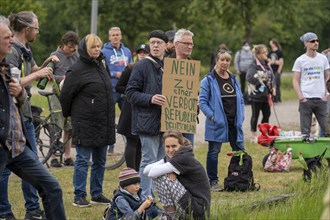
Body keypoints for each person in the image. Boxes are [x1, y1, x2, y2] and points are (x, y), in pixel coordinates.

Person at [0, 15, 66, 220]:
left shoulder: (8, 64)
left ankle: (31, 210)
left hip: (16, 146)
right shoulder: (12, 57)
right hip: (3, 145)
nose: (12, 40)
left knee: (52, 187)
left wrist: (20, 94)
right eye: (6, 37)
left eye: (11, 35)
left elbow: (15, 100)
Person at [60, 34, 115, 207]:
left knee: (100, 160)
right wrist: (70, 115)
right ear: (85, 49)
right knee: (83, 159)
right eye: (94, 47)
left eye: (99, 46)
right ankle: (79, 195)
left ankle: (97, 194)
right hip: (85, 121)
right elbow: (66, 95)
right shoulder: (77, 69)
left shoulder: (102, 65)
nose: (97, 50)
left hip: (103, 121)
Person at [126, 30, 168, 199]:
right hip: (147, 120)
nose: (156, 46)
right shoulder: (141, 65)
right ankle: (143, 197)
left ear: (166, 45)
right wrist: (151, 98)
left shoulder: (170, 65)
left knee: (161, 162)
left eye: (159, 42)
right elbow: (130, 93)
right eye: (153, 43)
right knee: (149, 160)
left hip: (165, 121)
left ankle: (156, 196)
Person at [199, 50, 245, 191]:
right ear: (217, 61)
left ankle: (240, 177)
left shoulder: (233, 79)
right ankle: (212, 181)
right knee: (214, 152)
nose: (225, 63)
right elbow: (202, 102)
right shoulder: (208, 80)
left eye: (227, 60)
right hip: (217, 122)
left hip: (234, 122)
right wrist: (213, 116)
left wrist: (241, 115)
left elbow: (241, 99)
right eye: (222, 60)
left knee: (240, 151)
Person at [144, 129, 211, 219]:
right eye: (167, 146)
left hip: (198, 208)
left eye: (174, 146)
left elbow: (152, 173)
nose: (170, 150)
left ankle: (170, 216)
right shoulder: (172, 158)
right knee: (161, 174)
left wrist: (167, 170)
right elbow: (146, 170)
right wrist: (168, 169)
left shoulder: (184, 157)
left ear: (181, 145)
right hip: (189, 203)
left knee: (162, 177)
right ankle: (170, 215)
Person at [116, 44, 150, 171]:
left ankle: (137, 170)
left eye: (145, 53)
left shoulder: (151, 69)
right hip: (130, 108)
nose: (142, 55)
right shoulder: (130, 68)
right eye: (140, 53)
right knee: (131, 140)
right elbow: (119, 86)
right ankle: (131, 170)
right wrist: (133, 91)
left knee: (140, 143)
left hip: (144, 109)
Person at [49, 30, 79, 168]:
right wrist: (61, 78)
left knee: (69, 127)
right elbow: (47, 75)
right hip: (57, 95)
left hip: (72, 96)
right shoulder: (54, 56)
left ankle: (67, 156)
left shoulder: (76, 56)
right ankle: (54, 157)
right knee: (56, 126)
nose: (72, 49)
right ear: (63, 44)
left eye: (74, 47)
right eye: (70, 46)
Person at [101, 26, 133, 154]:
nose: (115, 37)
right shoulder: (104, 51)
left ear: (121, 36)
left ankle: (130, 144)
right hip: (111, 88)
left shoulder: (127, 51)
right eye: (113, 35)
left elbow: (131, 66)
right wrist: (115, 74)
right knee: (108, 117)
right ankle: (110, 145)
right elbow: (103, 70)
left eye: (117, 35)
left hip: (125, 89)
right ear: (109, 37)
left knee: (127, 117)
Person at [292, 32, 329, 137]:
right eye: (313, 41)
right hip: (306, 99)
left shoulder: (323, 58)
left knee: (328, 130)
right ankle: (308, 153)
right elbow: (295, 80)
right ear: (306, 43)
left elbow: (328, 76)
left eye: (317, 40)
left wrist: (327, 94)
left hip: (321, 99)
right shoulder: (300, 60)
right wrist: (301, 97)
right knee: (305, 133)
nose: (316, 43)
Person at [169, 28, 196, 146]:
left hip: (187, 118)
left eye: (191, 44)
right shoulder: (165, 64)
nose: (189, 47)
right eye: (186, 43)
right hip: (169, 119)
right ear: (176, 44)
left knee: (188, 152)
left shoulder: (192, 66)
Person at [246, 44, 276, 142]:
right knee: (255, 114)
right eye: (263, 52)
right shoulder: (253, 65)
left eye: (266, 52)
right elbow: (249, 77)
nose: (266, 54)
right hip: (257, 96)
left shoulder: (267, 64)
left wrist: (273, 87)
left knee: (267, 114)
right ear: (258, 54)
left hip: (266, 95)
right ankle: (253, 134)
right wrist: (261, 83)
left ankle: (265, 133)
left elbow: (272, 76)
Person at [268, 39, 284, 103]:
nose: (270, 44)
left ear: (274, 44)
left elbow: (281, 62)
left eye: (271, 43)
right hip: (271, 70)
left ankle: (278, 98)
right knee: (272, 84)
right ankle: (273, 98)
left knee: (277, 84)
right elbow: (268, 60)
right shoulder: (270, 52)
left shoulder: (279, 52)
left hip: (277, 70)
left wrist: (279, 71)